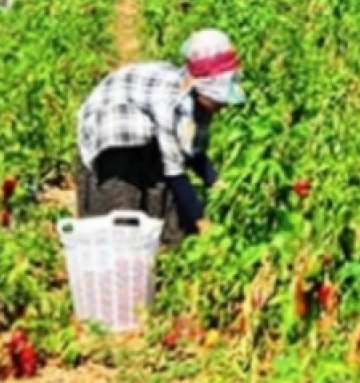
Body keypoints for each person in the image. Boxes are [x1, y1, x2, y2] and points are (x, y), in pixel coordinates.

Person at [76, 29, 245, 245]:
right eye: (219, 99)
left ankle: (157, 238)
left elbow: (192, 150)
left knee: (162, 201)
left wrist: (216, 181)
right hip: (111, 119)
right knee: (123, 200)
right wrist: (202, 222)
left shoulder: (197, 100)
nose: (223, 106)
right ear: (202, 90)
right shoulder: (169, 103)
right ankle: (120, 232)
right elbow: (174, 170)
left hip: (142, 112)